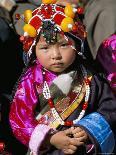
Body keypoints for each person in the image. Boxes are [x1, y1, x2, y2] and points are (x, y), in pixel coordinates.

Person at [9, 1, 116, 155]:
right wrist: (51, 138)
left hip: (86, 147)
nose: (56, 55)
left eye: (64, 45)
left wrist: (88, 129)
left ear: (77, 43)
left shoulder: (91, 77)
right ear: (33, 49)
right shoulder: (30, 81)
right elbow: (19, 119)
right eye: (45, 48)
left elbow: (110, 108)